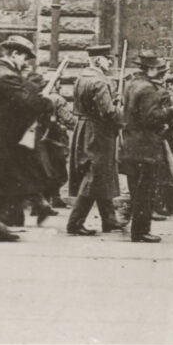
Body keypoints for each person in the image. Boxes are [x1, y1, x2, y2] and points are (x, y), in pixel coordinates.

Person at [0, 36, 55, 241]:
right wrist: (48, 102)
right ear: (14, 55)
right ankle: (0, 229)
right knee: (7, 184)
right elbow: (28, 105)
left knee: (2, 186)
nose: (25, 63)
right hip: (6, 142)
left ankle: (0, 228)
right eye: (24, 58)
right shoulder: (7, 77)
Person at [121, 50, 173, 243]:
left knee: (136, 189)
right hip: (145, 146)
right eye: (157, 68)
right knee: (145, 191)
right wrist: (171, 111)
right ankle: (141, 231)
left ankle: (137, 230)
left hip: (131, 144)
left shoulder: (131, 84)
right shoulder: (147, 89)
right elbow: (152, 118)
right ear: (151, 69)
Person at [67, 45, 124, 236]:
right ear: (99, 60)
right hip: (99, 132)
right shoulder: (100, 81)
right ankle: (75, 223)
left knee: (100, 173)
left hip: (84, 128)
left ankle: (109, 220)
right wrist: (122, 112)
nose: (110, 63)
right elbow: (108, 112)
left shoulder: (81, 77)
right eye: (108, 59)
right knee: (95, 174)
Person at [25, 71, 75, 210]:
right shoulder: (56, 99)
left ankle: (50, 200)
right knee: (58, 170)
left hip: (39, 139)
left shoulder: (31, 97)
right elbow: (68, 119)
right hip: (54, 138)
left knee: (45, 169)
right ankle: (47, 202)